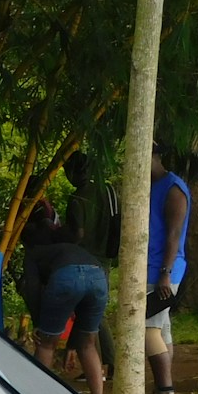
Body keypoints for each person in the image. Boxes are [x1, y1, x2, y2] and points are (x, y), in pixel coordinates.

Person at [23, 226, 110, 394]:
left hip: (67, 279)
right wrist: (72, 346)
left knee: (46, 344)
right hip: (98, 277)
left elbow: (32, 288)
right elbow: (76, 306)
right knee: (88, 344)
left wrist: (39, 324)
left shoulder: (34, 254)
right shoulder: (71, 250)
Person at [62, 150, 120, 378]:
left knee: (93, 313)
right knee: (94, 311)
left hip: (85, 260)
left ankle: (106, 361)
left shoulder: (78, 198)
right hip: (106, 256)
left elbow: (78, 233)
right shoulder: (108, 191)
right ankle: (101, 364)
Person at [145, 140, 191, 394]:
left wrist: (165, 273)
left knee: (146, 329)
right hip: (153, 265)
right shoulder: (149, 185)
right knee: (161, 330)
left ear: (156, 155)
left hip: (162, 268)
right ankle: (163, 392)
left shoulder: (173, 188)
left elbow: (174, 234)